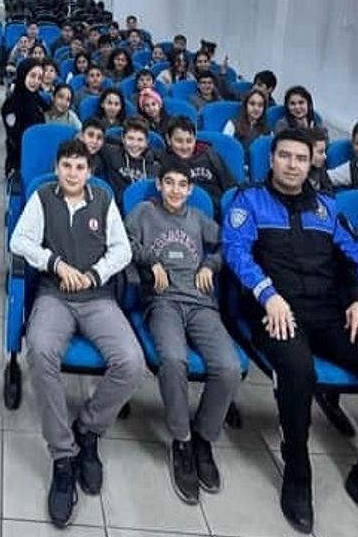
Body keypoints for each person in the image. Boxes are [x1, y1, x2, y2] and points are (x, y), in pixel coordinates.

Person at [222, 129, 358, 537]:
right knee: (298, 371)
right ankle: (297, 473)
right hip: (276, 312)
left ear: (312, 163)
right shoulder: (248, 200)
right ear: (271, 159)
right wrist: (269, 295)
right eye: (285, 156)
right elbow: (236, 252)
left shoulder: (328, 208)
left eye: (301, 158)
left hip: (330, 313)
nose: (292, 165)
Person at [8, 138, 143, 528]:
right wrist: (55, 263)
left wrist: (95, 274)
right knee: (40, 351)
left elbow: (122, 250)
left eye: (79, 167)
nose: (72, 173)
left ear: (89, 171)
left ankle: (88, 428)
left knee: (131, 363)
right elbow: (19, 240)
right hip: (55, 294)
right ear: (57, 168)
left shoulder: (103, 199)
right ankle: (63, 455)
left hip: (97, 296)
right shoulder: (43, 197)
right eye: (66, 166)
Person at [125, 161, 239, 504]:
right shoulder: (144, 212)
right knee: (174, 361)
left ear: (190, 190)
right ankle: (182, 439)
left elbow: (228, 243)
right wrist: (151, 260)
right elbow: (123, 242)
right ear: (159, 185)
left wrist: (209, 264)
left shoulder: (199, 218)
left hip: (201, 303)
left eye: (182, 185)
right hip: (163, 302)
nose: (175, 190)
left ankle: (204, 437)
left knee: (229, 368)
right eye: (169, 183)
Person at [1, 60, 46, 176]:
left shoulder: (38, 98)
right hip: (18, 160)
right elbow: (15, 138)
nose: (36, 81)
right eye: (32, 76)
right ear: (22, 75)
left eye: (39, 78)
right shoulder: (10, 105)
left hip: (39, 153)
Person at [99, 117, 159, 203]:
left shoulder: (154, 165)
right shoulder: (112, 153)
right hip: (119, 206)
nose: (135, 144)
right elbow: (95, 140)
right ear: (123, 138)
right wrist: (118, 141)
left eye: (140, 140)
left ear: (147, 142)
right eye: (130, 138)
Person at [224, 88, 269, 157]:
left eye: (260, 105)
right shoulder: (232, 124)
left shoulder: (267, 129)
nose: (256, 108)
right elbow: (225, 150)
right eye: (252, 104)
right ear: (245, 105)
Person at [307, 127, 335, 195]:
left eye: (325, 151)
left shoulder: (320, 168)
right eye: (320, 152)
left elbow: (329, 191)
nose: (325, 156)